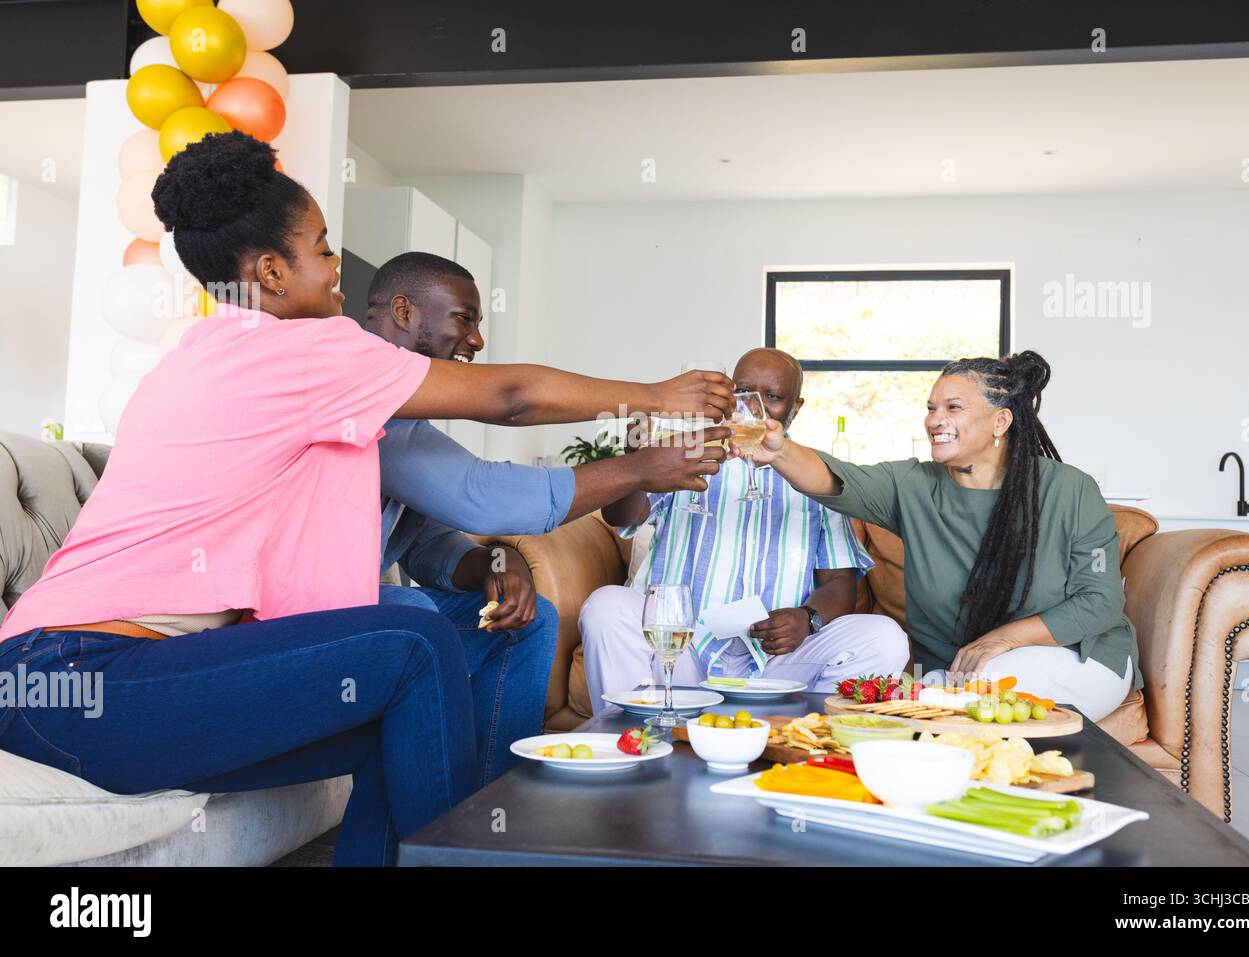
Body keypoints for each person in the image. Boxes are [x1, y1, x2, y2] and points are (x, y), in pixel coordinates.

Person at [0, 132, 733, 866]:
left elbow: (418, 518)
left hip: (77, 684)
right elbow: (509, 398)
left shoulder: (202, 352)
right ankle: (469, 858)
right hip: (77, 676)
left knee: (405, 708)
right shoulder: (307, 349)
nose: (338, 273)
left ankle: (468, 843)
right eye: (323, 250)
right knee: (412, 640)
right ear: (271, 271)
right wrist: (655, 395)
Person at [365, 251, 729, 783]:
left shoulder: (403, 415)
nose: (476, 341)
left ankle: (499, 796)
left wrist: (495, 563)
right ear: (403, 310)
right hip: (315, 608)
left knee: (531, 621)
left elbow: (423, 539)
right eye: (464, 319)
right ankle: (461, 823)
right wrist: (640, 456)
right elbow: (487, 474)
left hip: (368, 602)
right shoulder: (360, 383)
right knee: (416, 615)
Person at [745, 351, 1138, 722]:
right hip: (960, 673)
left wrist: (1002, 639)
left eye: (953, 407)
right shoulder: (913, 486)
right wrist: (778, 450)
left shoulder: (1069, 489)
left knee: (977, 690)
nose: (935, 419)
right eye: (931, 408)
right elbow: (833, 477)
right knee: (923, 705)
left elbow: (1101, 601)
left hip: (1079, 659)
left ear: (1000, 422)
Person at [579, 348, 909, 709]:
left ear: (796, 407)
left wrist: (807, 619)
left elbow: (839, 583)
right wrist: (636, 461)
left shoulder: (815, 477)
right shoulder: (688, 455)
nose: (756, 408)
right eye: (745, 393)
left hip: (775, 662)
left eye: (773, 397)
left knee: (884, 637)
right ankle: (637, 740)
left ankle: (803, 743)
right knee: (605, 606)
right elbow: (621, 517)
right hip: (680, 649)